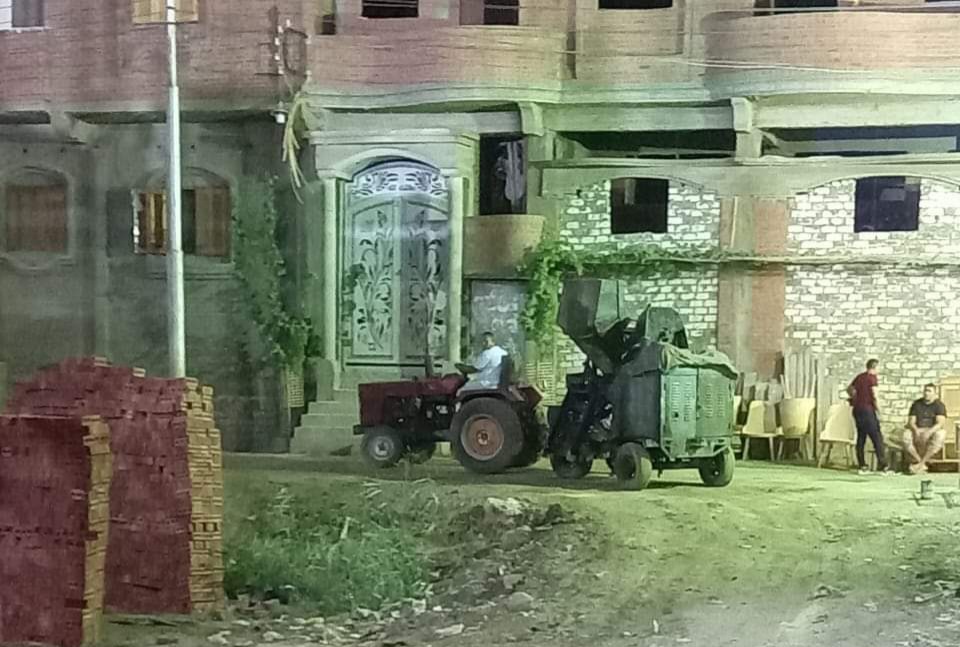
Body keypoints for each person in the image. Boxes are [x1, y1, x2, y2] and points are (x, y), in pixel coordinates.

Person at [847, 358, 888, 474]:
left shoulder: (860, 377)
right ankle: (883, 465)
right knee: (876, 437)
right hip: (867, 410)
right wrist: (880, 411)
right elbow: (875, 396)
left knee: (861, 437)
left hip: (857, 410)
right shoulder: (872, 378)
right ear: (875, 367)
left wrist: (855, 398)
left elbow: (849, 389)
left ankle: (862, 465)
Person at [903, 384, 948, 474]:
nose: (926, 393)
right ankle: (921, 463)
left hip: (932, 429)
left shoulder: (939, 405)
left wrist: (929, 432)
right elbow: (911, 421)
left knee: (941, 435)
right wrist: (916, 431)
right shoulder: (916, 404)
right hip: (918, 428)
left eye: (929, 391)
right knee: (906, 436)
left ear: (934, 393)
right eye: (925, 391)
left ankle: (920, 464)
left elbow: (940, 423)